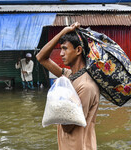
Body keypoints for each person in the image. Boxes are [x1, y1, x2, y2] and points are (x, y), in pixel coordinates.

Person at [36, 22, 100, 150]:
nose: (61, 54)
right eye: (61, 49)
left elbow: (68, 126)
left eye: (65, 48)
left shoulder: (86, 86)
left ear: (78, 50)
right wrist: (62, 32)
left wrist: (61, 93)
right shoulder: (70, 75)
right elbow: (41, 57)